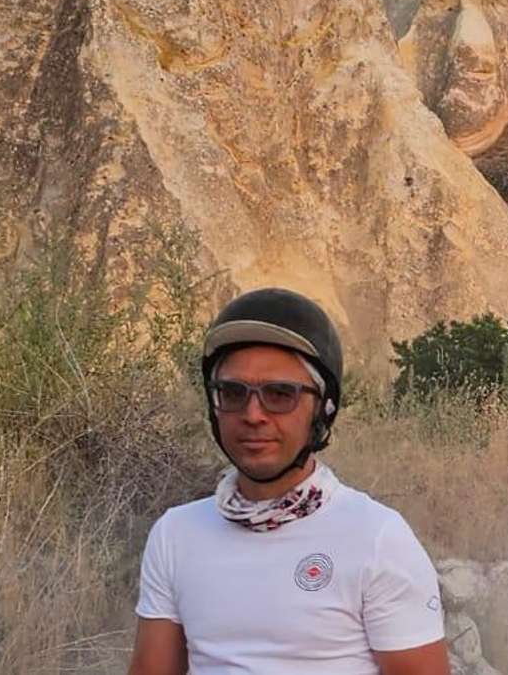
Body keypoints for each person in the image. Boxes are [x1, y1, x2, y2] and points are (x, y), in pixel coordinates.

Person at [127, 289, 449, 675]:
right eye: (232, 392)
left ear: (323, 408)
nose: (253, 414)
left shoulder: (377, 537)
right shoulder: (176, 534)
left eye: (280, 394)